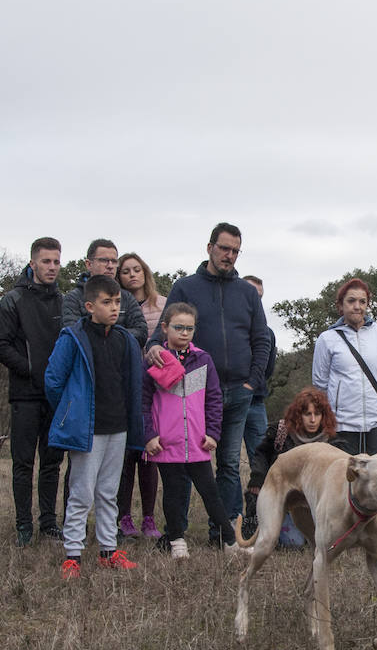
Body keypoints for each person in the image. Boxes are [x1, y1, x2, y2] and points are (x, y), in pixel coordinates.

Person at [147, 223, 271, 543]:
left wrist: (252, 382)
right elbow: (163, 331)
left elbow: (262, 339)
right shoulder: (186, 287)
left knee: (229, 463)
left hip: (240, 390)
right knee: (187, 462)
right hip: (194, 390)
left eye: (235, 250)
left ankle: (224, 532)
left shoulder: (245, 291)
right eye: (224, 248)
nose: (229, 255)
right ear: (210, 247)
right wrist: (154, 348)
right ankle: (179, 531)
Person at [45, 274, 144, 577]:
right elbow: (53, 380)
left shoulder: (125, 339)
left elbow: (131, 383)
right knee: (81, 492)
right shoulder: (73, 337)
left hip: (118, 426)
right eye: (106, 302)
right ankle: (72, 554)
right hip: (87, 428)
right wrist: (70, 412)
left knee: (108, 491)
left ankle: (108, 550)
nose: (114, 308)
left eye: (117, 302)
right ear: (89, 306)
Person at [143, 303, 236, 559]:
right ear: (164, 328)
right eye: (178, 327)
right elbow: (142, 401)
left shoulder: (203, 359)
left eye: (189, 328)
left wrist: (213, 433)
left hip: (197, 442)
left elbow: (214, 399)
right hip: (167, 442)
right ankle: (176, 541)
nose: (184, 333)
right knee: (172, 492)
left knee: (210, 492)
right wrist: (149, 435)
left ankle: (229, 540)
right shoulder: (156, 360)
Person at [0, 237, 66, 546]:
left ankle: (48, 522)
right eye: (46, 261)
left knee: (52, 462)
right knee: (23, 463)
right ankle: (23, 525)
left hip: (56, 395)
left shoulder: (64, 301)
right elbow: (0, 345)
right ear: (33, 262)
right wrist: (30, 368)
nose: (52, 267)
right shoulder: (13, 299)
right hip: (24, 394)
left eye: (56, 262)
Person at [245, 386, 346, 547]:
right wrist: (257, 478)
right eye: (308, 414)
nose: (313, 420)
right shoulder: (280, 433)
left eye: (317, 414)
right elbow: (261, 454)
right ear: (299, 415)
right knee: (292, 543)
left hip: (317, 505)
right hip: (285, 498)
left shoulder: (333, 442)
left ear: (323, 415)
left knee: (321, 540)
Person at [114, 251, 167, 540]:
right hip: (123, 385)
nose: (132, 275)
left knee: (149, 452)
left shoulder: (162, 305)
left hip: (155, 386)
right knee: (125, 455)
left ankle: (149, 518)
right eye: (126, 271)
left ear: (145, 272)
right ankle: (124, 517)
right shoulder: (115, 304)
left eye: (137, 269)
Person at [311, 278, 377, 455]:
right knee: (346, 480)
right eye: (351, 301)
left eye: (362, 301)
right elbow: (320, 382)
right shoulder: (327, 339)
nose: (357, 306)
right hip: (343, 424)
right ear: (340, 305)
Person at [61, 239, 149, 344]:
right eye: (104, 260)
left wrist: (110, 337)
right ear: (89, 264)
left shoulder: (126, 297)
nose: (110, 266)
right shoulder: (74, 298)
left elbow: (142, 333)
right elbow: (74, 336)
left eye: (114, 261)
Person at [241, 275, 279, 467]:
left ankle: (259, 497)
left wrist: (252, 384)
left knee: (263, 458)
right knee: (227, 459)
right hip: (225, 401)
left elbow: (268, 368)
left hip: (255, 401)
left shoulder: (267, 333)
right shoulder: (228, 327)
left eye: (260, 297)